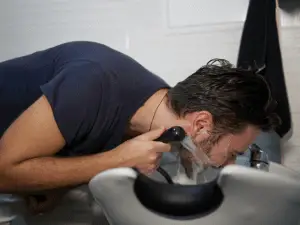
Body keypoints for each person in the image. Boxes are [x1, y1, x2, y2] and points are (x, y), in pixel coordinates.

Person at [0, 41, 278, 214]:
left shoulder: (151, 114)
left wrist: (55, 184)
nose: (228, 164)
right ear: (202, 123)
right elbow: (2, 173)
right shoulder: (92, 81)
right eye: (231, 152)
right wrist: (115, 160)